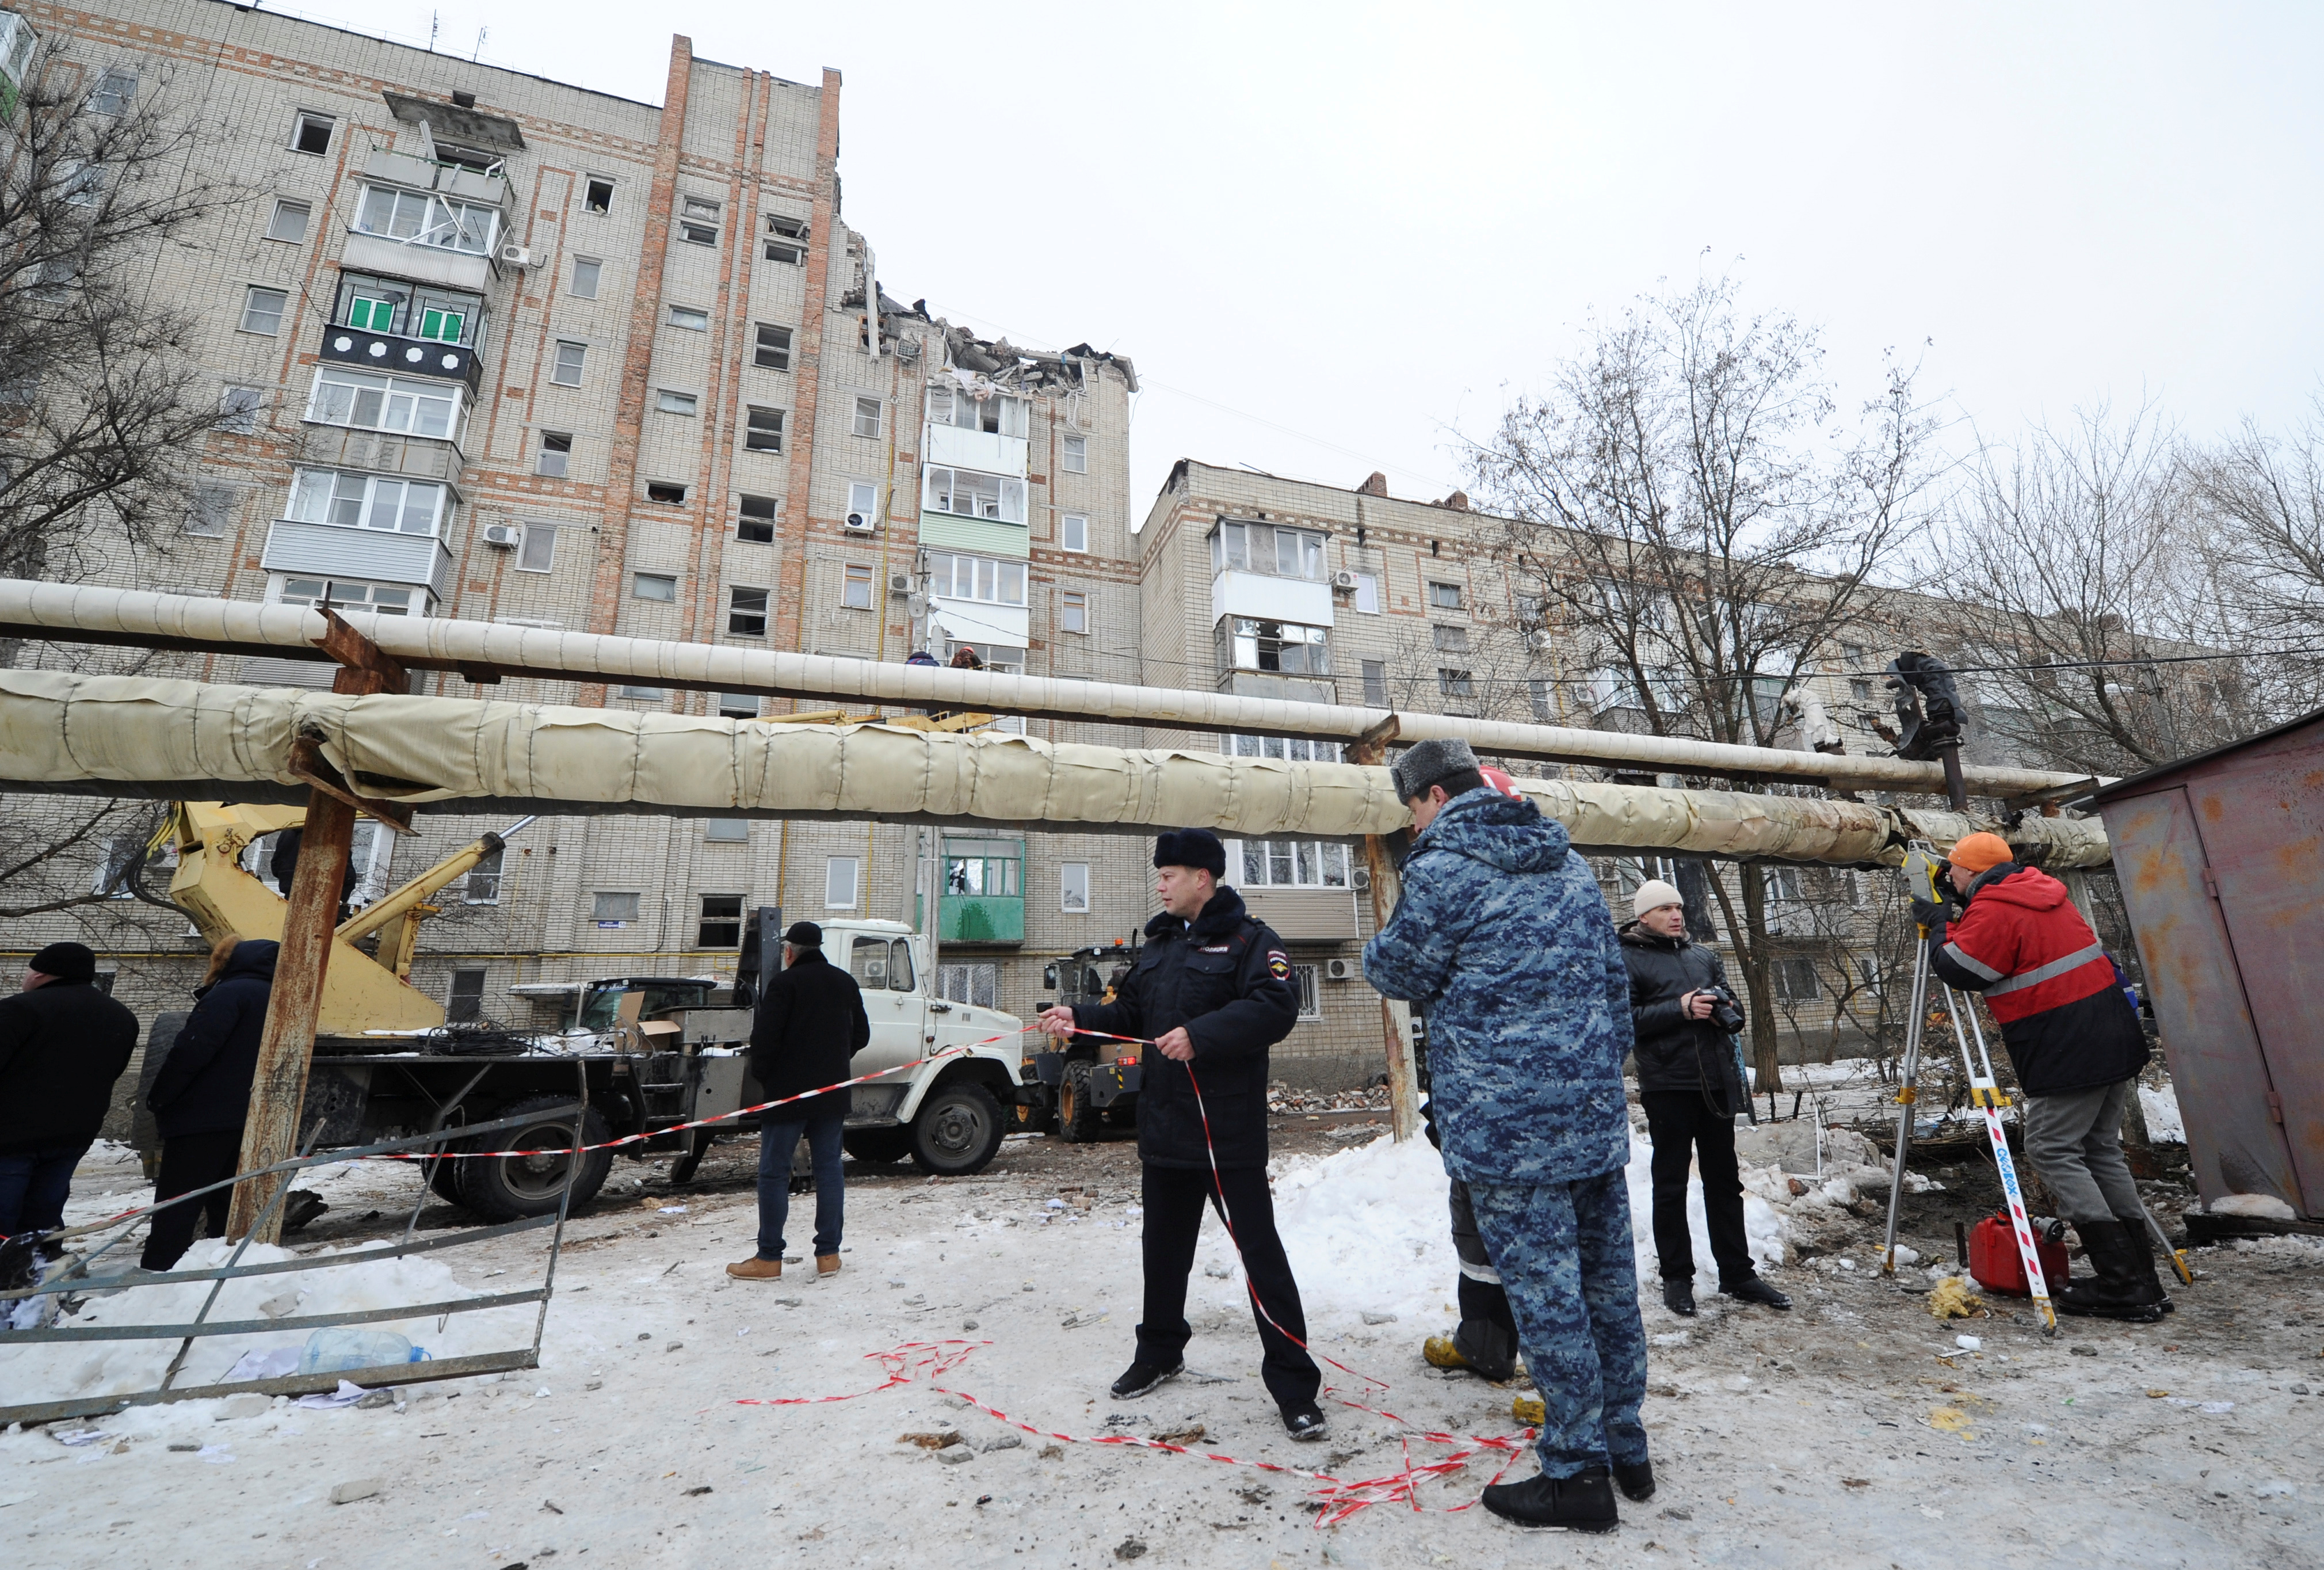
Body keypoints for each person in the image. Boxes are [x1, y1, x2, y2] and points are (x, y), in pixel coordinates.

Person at [1364, 738, 1647, 1533]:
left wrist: (1370, 945)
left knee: (1547, 1298)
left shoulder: (1443, 867)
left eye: (1409, 807)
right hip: (1589, 1119)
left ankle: (1574, 1475)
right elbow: (1614, 988)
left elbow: (1399, 973)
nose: (1412, 822)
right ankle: (1625, 1447)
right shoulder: (1567, 863)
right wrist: (1588, 1076)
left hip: (1505, 1127)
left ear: (1429, 800)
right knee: (1606, 1289)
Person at [1035, 828, 1325, 1442]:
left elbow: (1277, 1007)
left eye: (1169, 873)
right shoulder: (1160, 944)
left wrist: (1202, 1034)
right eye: (1159, 873)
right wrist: (1078, 1019)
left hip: (1226, 1133)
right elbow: (1128, 1014)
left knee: (1260, 1257)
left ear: (1203, 877)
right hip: (1165, 1127)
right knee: (1162, 1255)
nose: (1160, 883)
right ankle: (1159, 1351)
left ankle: (1295, 1385)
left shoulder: (1251, 941)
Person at [1921, 831, 2167, 1320]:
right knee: (2098, 1149)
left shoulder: (1992, 909)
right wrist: (1961, 910)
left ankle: (2120, 1281)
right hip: (2110, 1033)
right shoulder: (2039, 891)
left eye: (1953, 870)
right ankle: (2141, 1278)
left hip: (2067, 1044)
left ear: (1971, 872)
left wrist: (1936, 926)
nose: (1948, 876)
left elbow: (1963, 969)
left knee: (2051, 1147)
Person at [1620, 880, 1790, 1319]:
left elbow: (1732, 1002)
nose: (1676, 915)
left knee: (1724, 1182)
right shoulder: (1625, 958)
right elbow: (1623, 1021)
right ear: (1643, 917)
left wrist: (1721, 1004)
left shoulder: (1702, 956)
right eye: (1664, 909)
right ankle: (1677, 1280)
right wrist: (1678, 1008)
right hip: (1667, 1086)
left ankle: (1738, 1273)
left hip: (1714, 1085)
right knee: (1671, 1185)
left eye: (1678, 907)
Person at [729, 921, 868, 1283]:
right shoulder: (845, 982)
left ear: (789, 951)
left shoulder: (784, 984)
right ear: (820, 947)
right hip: (831, 1094)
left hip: (787, 1095)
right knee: (829, 1171)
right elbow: (862, 1035)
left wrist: (768, 1078)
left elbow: (765, 1040)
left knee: (774, 1173)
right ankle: (828, 1255)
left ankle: (769, 1259)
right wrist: (834, 1064)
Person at [143, 936, 278, 1271]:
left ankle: (158, 1271)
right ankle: (219, 1266)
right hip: (248, 1117)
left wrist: (160, 1098)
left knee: (178, 1204)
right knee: (227, 1202)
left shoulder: (229, 993)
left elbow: (192, 1050)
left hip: (202, 1117)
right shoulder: (280, 998)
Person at [0, 943, 139, 1241]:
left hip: (10, 1137)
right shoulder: (122, 1017)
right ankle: (37, 1274)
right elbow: (114, 1071)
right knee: (43, 1218)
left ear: (40, 974)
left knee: (3, 1219)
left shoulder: (18, 1009)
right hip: (73, 1136)